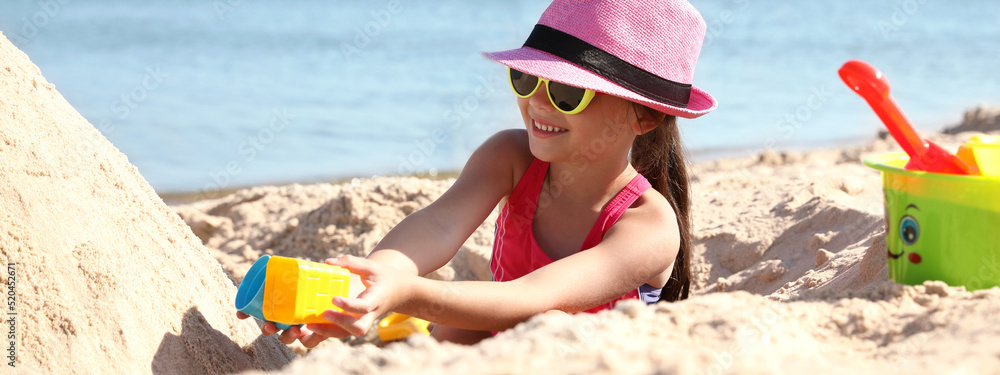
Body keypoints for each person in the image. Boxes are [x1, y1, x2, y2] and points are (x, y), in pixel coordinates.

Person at [237, 0, 716, 346]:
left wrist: (404, 295)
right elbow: (439, 224)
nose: (537, 102)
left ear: (645, 117)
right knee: (443, 335)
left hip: (581, 356)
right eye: (527, 78)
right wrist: (377, 278)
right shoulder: (509, 156)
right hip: (490, 331)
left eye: (570, 94)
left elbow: (530, 299)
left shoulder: (647, 226)